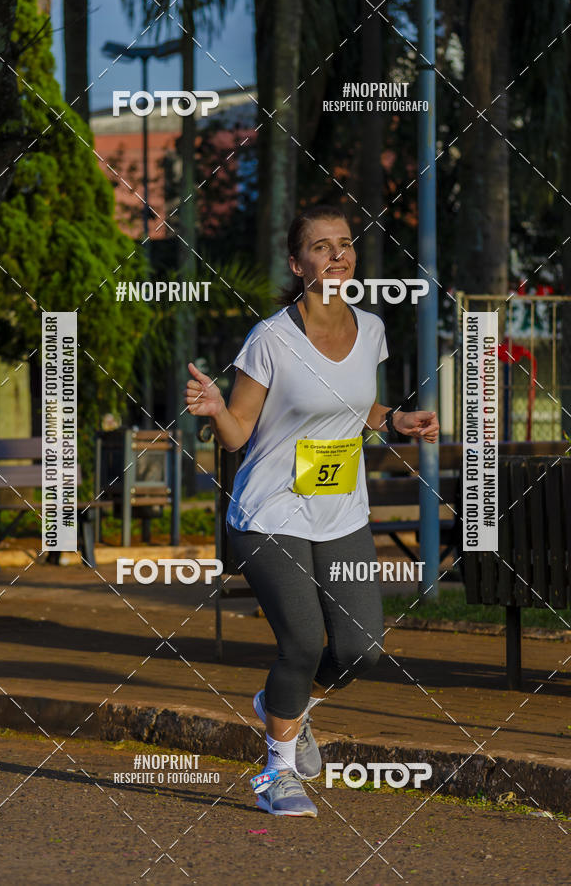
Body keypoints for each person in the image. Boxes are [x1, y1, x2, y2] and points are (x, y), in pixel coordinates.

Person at [184, 204, 439, 818]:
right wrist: (217, 408)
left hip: (341, 511)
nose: (337, 255)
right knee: (301, 640)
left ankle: (283, 706)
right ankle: (276, 770)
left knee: (362, 649)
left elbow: (355, 408)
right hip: (271, 510)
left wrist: (395, 420)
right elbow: (239, 434)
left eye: (345, 244)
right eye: (321, 247)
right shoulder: (271, 338)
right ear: (299, 265)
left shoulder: (372, 329)